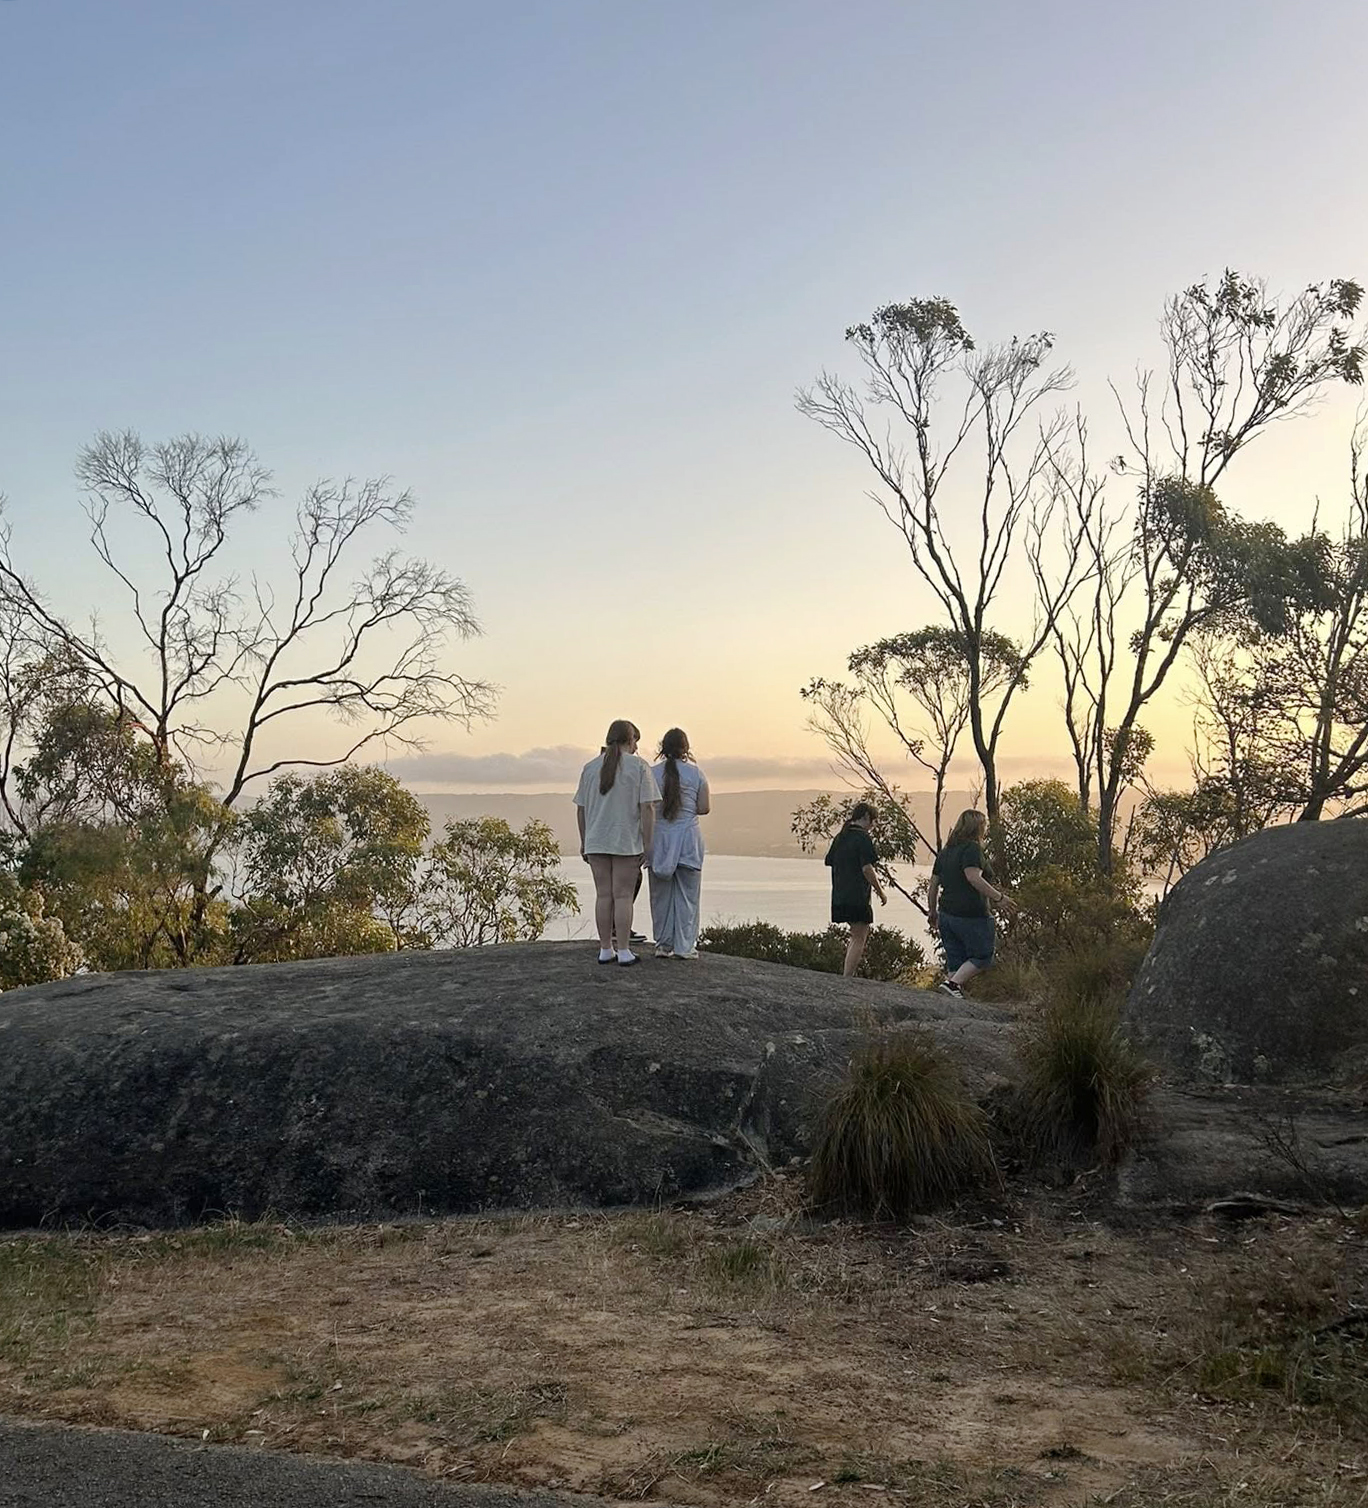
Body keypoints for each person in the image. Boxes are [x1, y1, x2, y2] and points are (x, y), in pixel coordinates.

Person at [574, 720, 660, 966]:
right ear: (630, 740)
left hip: (596, 840)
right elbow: (647, 807)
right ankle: (623, 950)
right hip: (626, 841)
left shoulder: (590, 768)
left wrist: (584, 841)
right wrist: (648, 843)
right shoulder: (639, 767)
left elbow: (581, 809)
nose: (636, 747)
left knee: (603, 896)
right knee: (623, 897)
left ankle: (605, 949)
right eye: (635, 741)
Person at [926, 808, 1017, 998]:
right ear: (977, 828)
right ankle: (952, 985)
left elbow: (933, 885)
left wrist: (932, 911)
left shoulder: (945, 853)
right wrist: (999, 898)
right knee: (983, 956)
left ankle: (951, 995)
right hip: (971, 914)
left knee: (956, 960)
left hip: (946, 915)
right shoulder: (972, 849)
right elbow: (973, 877)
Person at [647, 728, 710, 960]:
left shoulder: (651, 774)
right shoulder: (696, 774)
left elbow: (645, 806)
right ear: (686, 749)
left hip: (659, 840)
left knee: (660, 897)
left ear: (662, 748)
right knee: (688, 897)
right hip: (688, 840)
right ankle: (685, 947)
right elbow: (703, 808)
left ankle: (663, 945)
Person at [824, 802, 887, 977]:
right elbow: (867, 868)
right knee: (860, 936)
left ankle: (847, 974)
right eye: (874, 821)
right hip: (857, 896)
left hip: (839, 894)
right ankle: (847, 977)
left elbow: (830, 861)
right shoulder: (862, 838)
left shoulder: (841, 837)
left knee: (855, 935)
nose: (873, 826)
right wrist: (880, 891)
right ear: (866, 816)